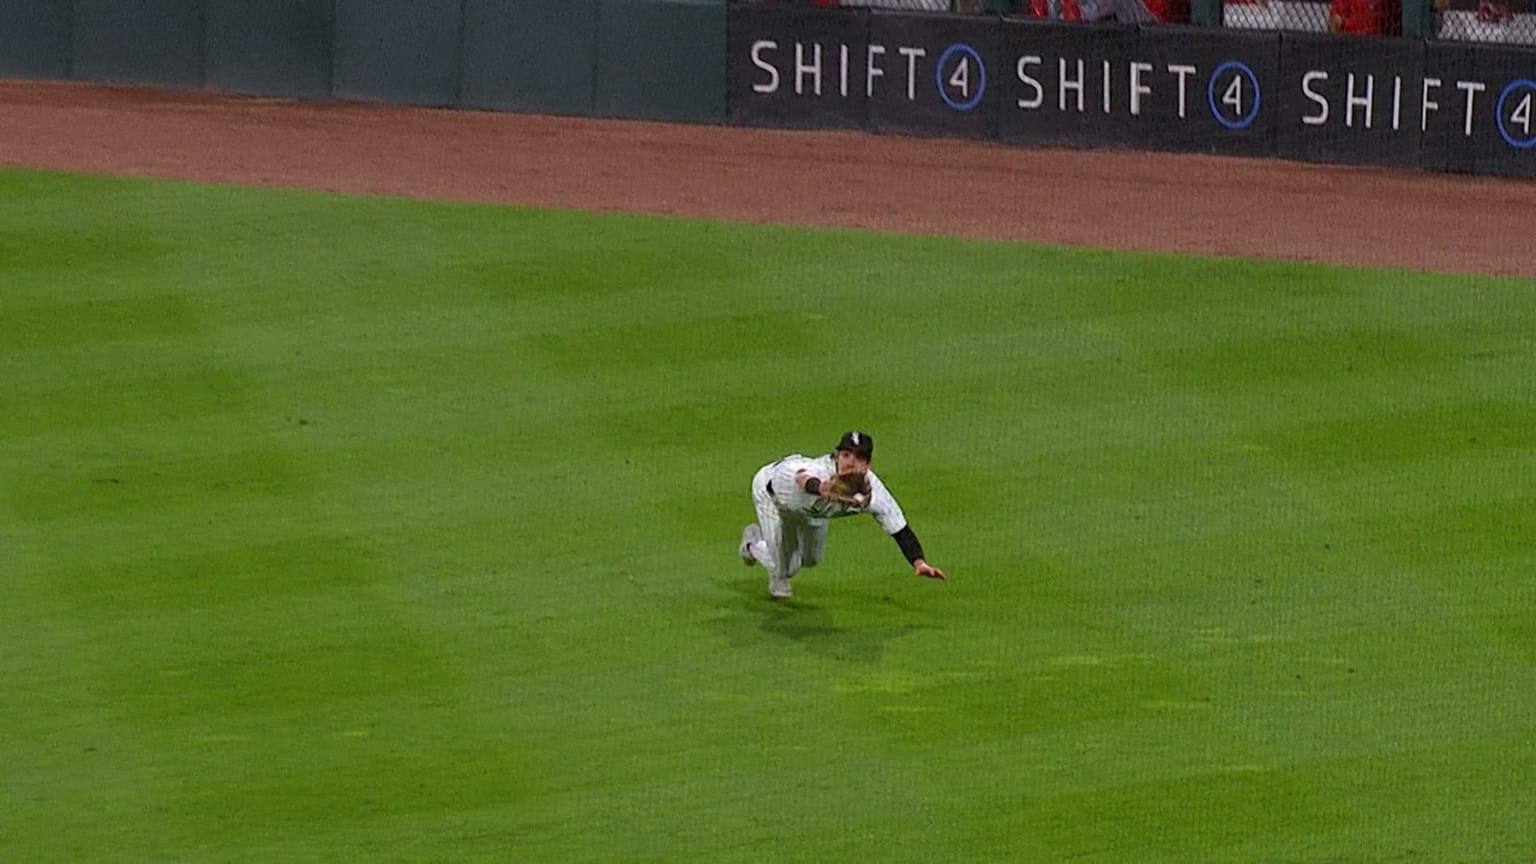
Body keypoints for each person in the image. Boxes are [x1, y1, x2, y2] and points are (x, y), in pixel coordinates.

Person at [738, 431, 946, 599]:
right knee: (787, 568)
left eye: (859, 457)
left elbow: (899, 528)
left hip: (813, 513)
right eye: (846, 455)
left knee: (811, 559)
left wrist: (919, 562)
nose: (851, 462)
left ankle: (779, 563)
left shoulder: (871, 490)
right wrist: (821, 488)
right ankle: (753, 546)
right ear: (836, 455)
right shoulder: (816, 470)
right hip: (773, 499)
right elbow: (802, 478)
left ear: (868, 463)